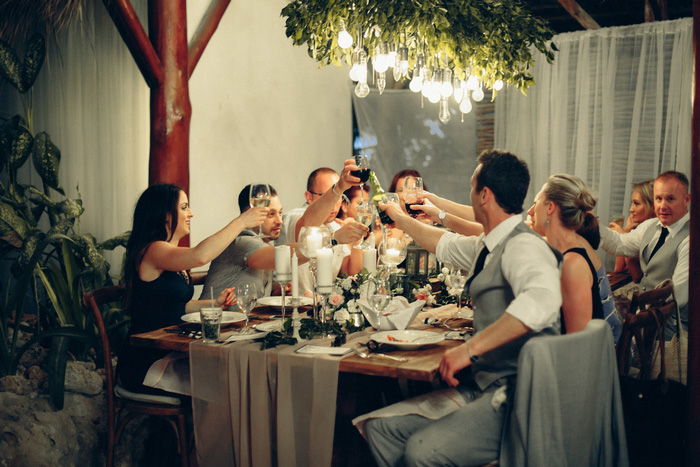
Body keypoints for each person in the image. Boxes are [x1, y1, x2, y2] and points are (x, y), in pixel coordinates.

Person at [360, 149, 563, 466]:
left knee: (420, 451)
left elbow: (542, 300)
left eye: (472, 188)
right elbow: (443, 243)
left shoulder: (523, 245)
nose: (470, 194)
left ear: (484, 195)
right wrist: (399, 217)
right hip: (480, 385)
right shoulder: (490, 243)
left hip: (516, 395)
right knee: (380, 429)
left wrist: (468, 350)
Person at [117, 184, 267, 395]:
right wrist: (241, 221)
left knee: (235, 375)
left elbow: (175, 305)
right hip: (148, 360)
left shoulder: (171, 253)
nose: (191, 213)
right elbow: (200, 256)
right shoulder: (154, 250)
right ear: (166, 215)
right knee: (229, 383)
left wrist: (213, 304)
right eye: (184, 207)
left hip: (168, 350)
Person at [527, 174, 622, 342]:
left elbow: (577, 345)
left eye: (535, 204)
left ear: (549, 208)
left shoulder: (573, 264)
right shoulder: (565, 252)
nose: (529, 211)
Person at [599, 170, 690, 338]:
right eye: (658, 199)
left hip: (672, 333)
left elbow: (677, 297)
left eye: (670, 199)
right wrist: (589, 221)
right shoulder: (650, 226)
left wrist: (634, 321)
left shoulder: (692, 238)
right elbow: (619, 243)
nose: (662, 206)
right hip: (645, 322)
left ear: (686, 199)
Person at [199, 184, 309, 303]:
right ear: (250, 214)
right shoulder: (242, 241)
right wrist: (323, 240)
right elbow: (283, 257)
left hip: (240, 319)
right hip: (213, 320)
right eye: (271, 214)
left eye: (280, 213)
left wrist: (274, 290)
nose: (280, 221)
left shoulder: (263, 244)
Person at [279, 161, 369, 295]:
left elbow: (352, 273)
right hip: (294, 306)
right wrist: (338, 188)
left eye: (338, 197)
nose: (333, 204)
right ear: (309, 197)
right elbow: (308, 225)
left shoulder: (336, 227)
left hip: (324, 307)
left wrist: (356, 238)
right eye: (326, 196)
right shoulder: (295, 216)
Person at [609, 179, 655, 282]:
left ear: (652, 206)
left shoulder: (656, 233)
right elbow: (618, 268)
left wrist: (623, 236)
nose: (631, 209)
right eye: (632, 203)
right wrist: (627, 230)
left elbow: (637, 276)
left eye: (636, 203)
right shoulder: (637, 226)